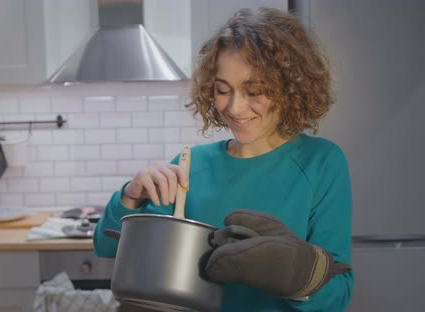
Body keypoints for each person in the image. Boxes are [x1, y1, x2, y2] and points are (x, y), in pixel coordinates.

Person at [94, 7, 353, 312]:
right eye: (222, 90)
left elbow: (338, 294)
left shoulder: (320, 162)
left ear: (291, 86)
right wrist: (131, 196)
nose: (235, 107)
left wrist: (297, 276)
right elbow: (106, 246)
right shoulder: (191, 163)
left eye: (255, 90)